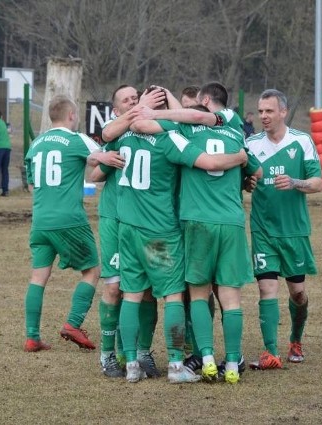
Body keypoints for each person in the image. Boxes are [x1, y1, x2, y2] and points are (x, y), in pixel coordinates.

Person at [92, 91, 248, 384]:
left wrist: (97, 154)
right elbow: (207, 162)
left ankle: (132, 366)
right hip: (160, 232)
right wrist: (241, 158)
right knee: (174, 295)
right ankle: (176, 365)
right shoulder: (172, 138)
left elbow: (100, 149)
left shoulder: (123, 135)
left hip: (127, 228)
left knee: (133, 293)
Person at [131, 104, 262, 384]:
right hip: (231, 222)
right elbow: (257, 173)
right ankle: (232, 364)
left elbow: (145, 127)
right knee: (231, 299)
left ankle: (206, 358)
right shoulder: (234, 133)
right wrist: (242, 170)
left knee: (199, 294)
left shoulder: (185, 131)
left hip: (196, 221)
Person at [22, 94, 125, 353]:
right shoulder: (75, 139)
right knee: (92, 271)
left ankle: (32, 337)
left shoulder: (35, 145)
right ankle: (73, 323)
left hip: (41, 220)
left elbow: (32, 186)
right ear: (71, 116)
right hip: (69, 219)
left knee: (38, 278)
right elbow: (98, 158)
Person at [244, 89, 322, 369]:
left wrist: (294, 182)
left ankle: (295, 340)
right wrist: (246, 184)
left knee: (298, 293)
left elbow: (318, 183)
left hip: (294, 231)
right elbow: (243, 179)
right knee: (267, 289)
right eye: (261, 110)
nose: (263, 116)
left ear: (283, 112)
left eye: (269, 111)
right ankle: (270, 352)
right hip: (263, 230)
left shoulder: (301, 141)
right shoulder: (251, 144)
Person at [92, 84, 166, 378]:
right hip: (114, 218)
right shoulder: (115, 131)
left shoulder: (152, 131)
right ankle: (109, 354)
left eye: (137, 98)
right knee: (114, 287)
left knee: (147, 290)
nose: (134, 102)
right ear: (116, 109)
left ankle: (141, 352)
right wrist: (101, 158)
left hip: (147, 223)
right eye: (127, 100)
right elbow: (94, 170)